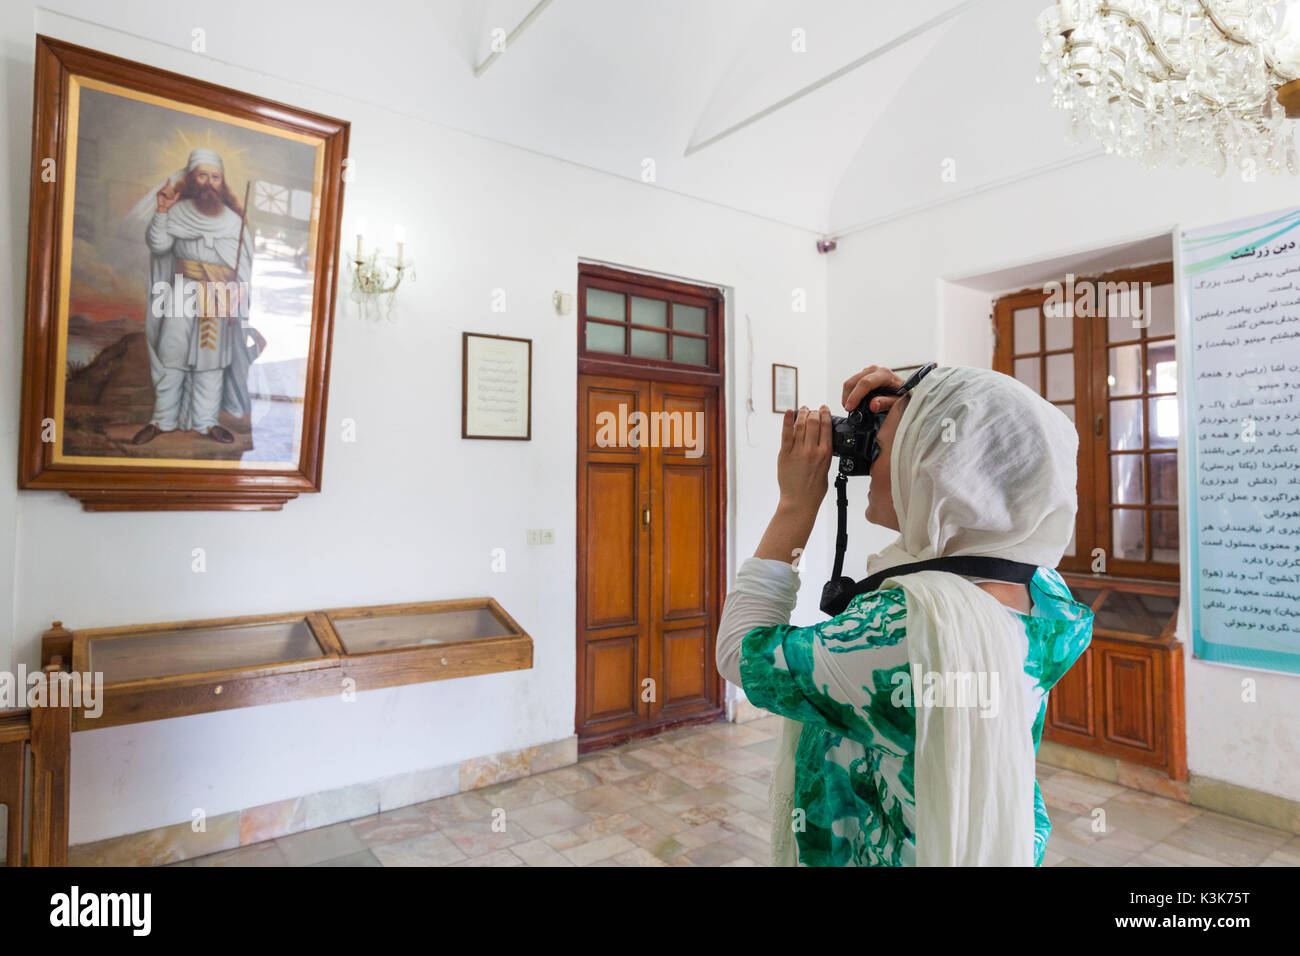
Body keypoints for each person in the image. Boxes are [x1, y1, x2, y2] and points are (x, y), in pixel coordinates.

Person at [715, 364, 1094, 866]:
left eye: (888, 448)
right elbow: (946, 547)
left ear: (939, 470)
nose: (870, 461)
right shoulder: (1042, 590)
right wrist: (924, 400)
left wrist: (794, 507)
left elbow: (741, 653)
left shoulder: (906, 633)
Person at [133, 148, 259, 446]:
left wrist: (239, 291)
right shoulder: (177, 211)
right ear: (192, 178)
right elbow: (160, 246)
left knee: (211, 361)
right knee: (171, 355)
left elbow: (244, 268)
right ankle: (162, 420)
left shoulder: (233, 222)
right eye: (203, 175)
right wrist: (163, 210)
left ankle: (206, 423)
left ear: (222, 182)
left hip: (217, 295)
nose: (209, 182)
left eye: (215, 177)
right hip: (182, 290)